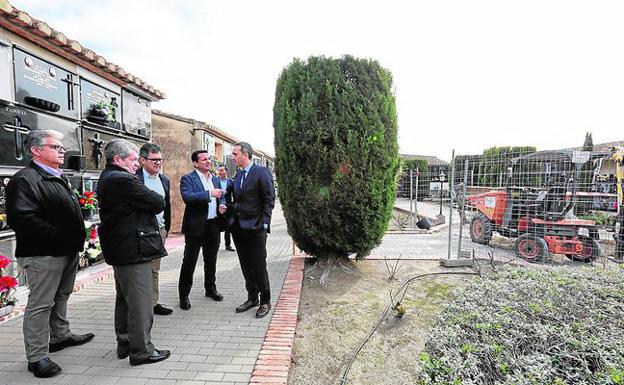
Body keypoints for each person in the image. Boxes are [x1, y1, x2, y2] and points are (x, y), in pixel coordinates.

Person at [6, 129, 94, 378]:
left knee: (62, 295)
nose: (62, 150)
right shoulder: (25, 179)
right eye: (55, 147)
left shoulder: (57, 176)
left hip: (66, 251)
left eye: (61, 147)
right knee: (40, 304)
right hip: (43, 253)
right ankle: (37, 357)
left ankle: (59, 336)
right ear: (36, 150)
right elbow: (23, 218)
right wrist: (60, 236)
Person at [97, 138, 170, 366]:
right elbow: (158, 202)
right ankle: (142, 351)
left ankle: (126, 343)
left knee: (125, 300)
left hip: (122, 248)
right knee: (140, 302)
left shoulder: (109, 176)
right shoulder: (123, 179)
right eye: (131, 159)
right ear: (117, 159)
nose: (136, 164)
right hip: (132, 249)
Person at [229, 142, 275, 318]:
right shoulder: (239, 175)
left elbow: (269, 198)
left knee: (258, 265)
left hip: (256, 228)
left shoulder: (261, 172)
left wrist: (264, 223)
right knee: (246, 265)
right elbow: (238, 200)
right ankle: (252, 297)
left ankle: (265, 300)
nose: (232, 157)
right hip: (239, 229)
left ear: (245, 154)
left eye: (235, 154)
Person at [178, 150, 225, 310]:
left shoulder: (215, 179)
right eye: (204, 159)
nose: (208, 161)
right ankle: (184, 295)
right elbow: (188, 197)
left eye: (209, 159)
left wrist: (222, 204)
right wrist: (209, 193)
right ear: (196, 163)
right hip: (195, 226)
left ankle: (210, 289)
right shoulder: (188, 179)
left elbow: (221, 196)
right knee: (189, 261)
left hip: (213, 225)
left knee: (211, 260)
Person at [137, 143, 173, 316]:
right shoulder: (135, 178)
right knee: (140, 270)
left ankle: (153, 303)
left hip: (159, 230)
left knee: (154, 269)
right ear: (143, 160)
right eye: (154, 160)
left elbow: (167, 206)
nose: (158, 163)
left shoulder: (164, 179)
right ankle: (140, 305)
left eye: (160, 159)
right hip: (141, 231)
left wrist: (166, 227)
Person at [217, 164, 235, 252]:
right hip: (218, 206)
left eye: (222, 170)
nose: (220, 172)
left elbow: (234, 195)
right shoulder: (215, 181)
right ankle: (216, 244)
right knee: (217, 226)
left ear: (226, 171)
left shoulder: (231, 182)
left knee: (228, 226)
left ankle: (228, 245)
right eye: (219, 170)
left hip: (228, 206)